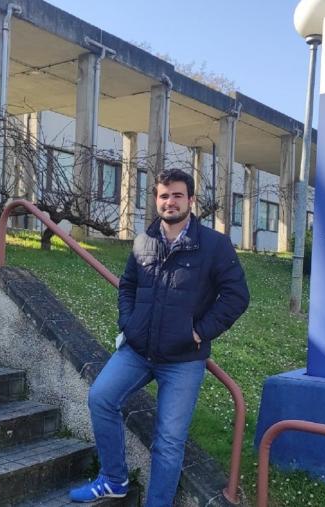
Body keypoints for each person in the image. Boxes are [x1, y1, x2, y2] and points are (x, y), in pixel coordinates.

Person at [70, 168, 250, 506]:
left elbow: (237, 296)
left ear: (191, 200)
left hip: (183, 360)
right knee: (101, 398)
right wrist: (129, 321)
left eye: (177, 195)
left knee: (168, 441)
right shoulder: (144, 241)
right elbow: (128, 286)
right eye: (164, 196)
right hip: (138, 350)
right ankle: (113, 479)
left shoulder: (214, 245)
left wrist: (200, 331)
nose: (170, 201)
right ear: (156, 200)